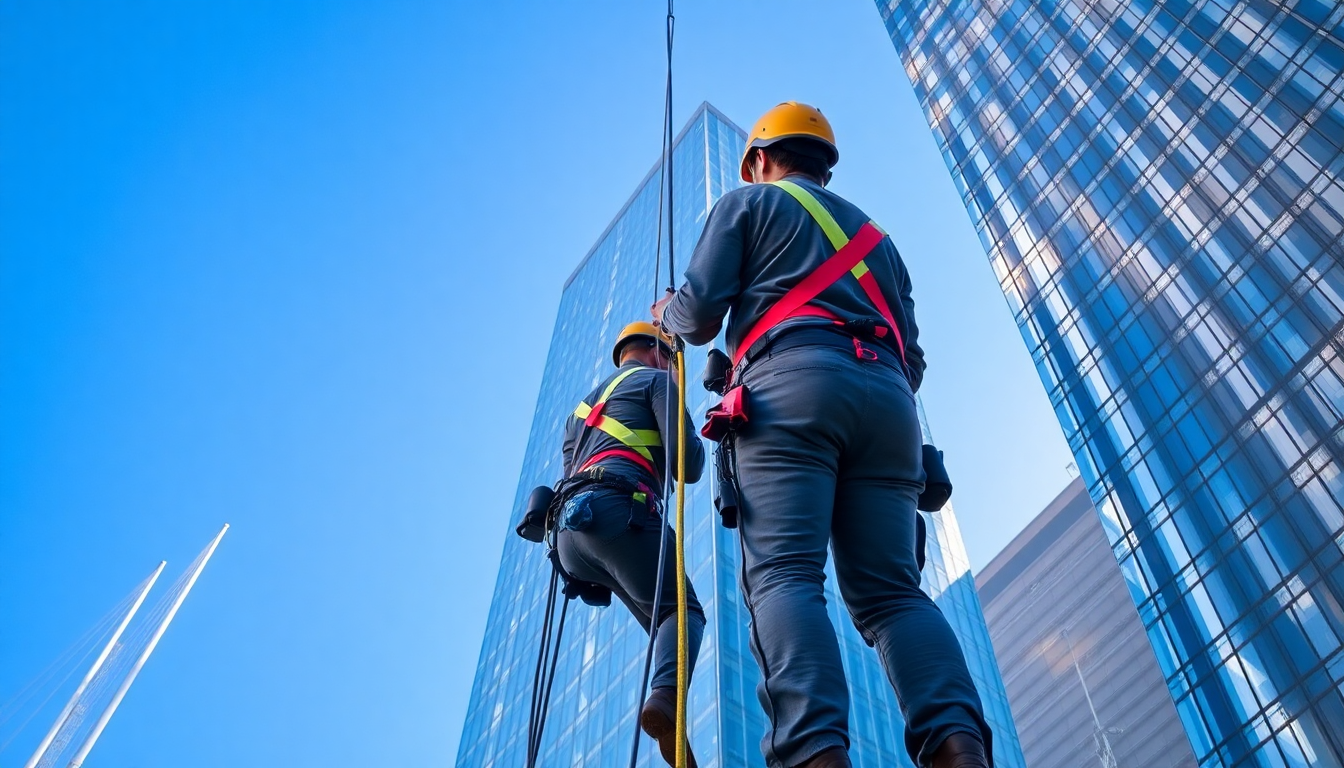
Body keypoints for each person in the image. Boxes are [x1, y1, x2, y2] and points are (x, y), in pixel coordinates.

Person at [653, 102, 994, 768]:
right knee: (895, 592)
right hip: (891, 405)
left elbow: (694, 319)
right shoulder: (878, 242)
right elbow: (913, 361)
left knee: (784, 576)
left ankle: (813, 753)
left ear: (758, 160)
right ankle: (958, 745)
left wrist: (668, 311)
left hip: (789, 390)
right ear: (823, 164)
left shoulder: (747, 204)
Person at [555, 321, 707, 768]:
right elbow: (688, 464)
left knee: (660, 621)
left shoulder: (578, 413)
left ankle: (671, 717)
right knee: (683, 613)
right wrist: (678, 394)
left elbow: (571, 472)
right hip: (620, 510)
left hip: (569, 536)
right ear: (660, 352)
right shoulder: (658, 380)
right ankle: (665, 700)